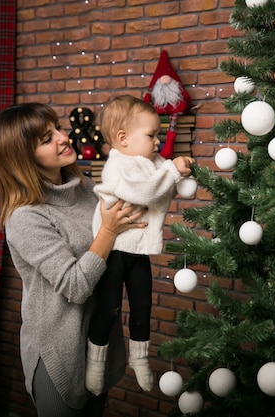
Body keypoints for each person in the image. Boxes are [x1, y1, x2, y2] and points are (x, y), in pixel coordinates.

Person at [0, 102, 147, 417]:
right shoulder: (25, 216)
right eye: (47, 139)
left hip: (99, 344)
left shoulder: (86, 190)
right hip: (59, 353)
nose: (63, 137)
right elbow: (76, 286)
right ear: (23, 157)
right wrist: (109, 230)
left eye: (57, 129)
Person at [85, 95, 195, 395]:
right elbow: (148, 191)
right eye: (151, 135)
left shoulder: (149, 160)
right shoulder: (118, 165)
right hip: (115, 251)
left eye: (158, 135)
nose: (157, 142)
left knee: (142, 307)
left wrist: (179, 168)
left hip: (138, 251)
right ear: (123, 139)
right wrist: (172, 171)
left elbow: (165, 179)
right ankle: (95, 364)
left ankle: (140, 359)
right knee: (108, 309)